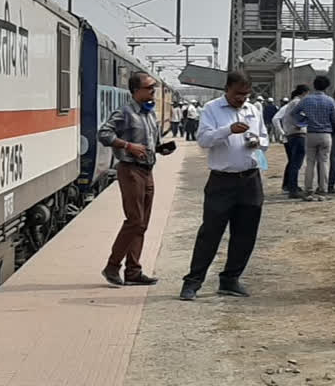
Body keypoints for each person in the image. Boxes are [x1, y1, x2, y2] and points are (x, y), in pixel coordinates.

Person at [179, 72, 269, 300]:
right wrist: (228, 130)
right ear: (227, 89)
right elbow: (203, 140)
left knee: (245, 233)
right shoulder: (212, 109)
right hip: (222, 180)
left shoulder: (253, 110)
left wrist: (258, 142)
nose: (241, 99)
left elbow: (265, 138)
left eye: (246, 94)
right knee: (210, 233)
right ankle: (193, 282)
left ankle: (230, 279)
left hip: (250, 179)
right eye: (238, 93)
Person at [98, 72, 175, 287]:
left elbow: (152, 142)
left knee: (142, 223)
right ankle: (112, 266)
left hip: (147, 171)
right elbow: (103, 134)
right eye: (149, 88)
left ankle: (133, 270)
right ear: (136, 90)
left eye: (154, 88)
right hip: (130, 171)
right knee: (134, 220)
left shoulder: (149, 114)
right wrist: (128, 146)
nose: (153, 92)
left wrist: (160, 149)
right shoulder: (124, 113)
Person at [294, 76, 335, 201]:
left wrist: (303, 121)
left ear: (314, 85)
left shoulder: (306, 99)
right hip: (325, 134)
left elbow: (294, 112)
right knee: (324, 162)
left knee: (310, 163)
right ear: (327, 86)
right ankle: (323, 190)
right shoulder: (330, 101)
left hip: (311, 133)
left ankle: (308, 190)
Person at [273, 84, 310, 198]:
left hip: (292, 134)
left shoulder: (292, 103)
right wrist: (302, 124)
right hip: (297, 134)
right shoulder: (297, 103)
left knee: (293, 162)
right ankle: (293, 188)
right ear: (304, 93)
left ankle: (291, 186)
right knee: (296, 163)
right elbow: (298, 117)